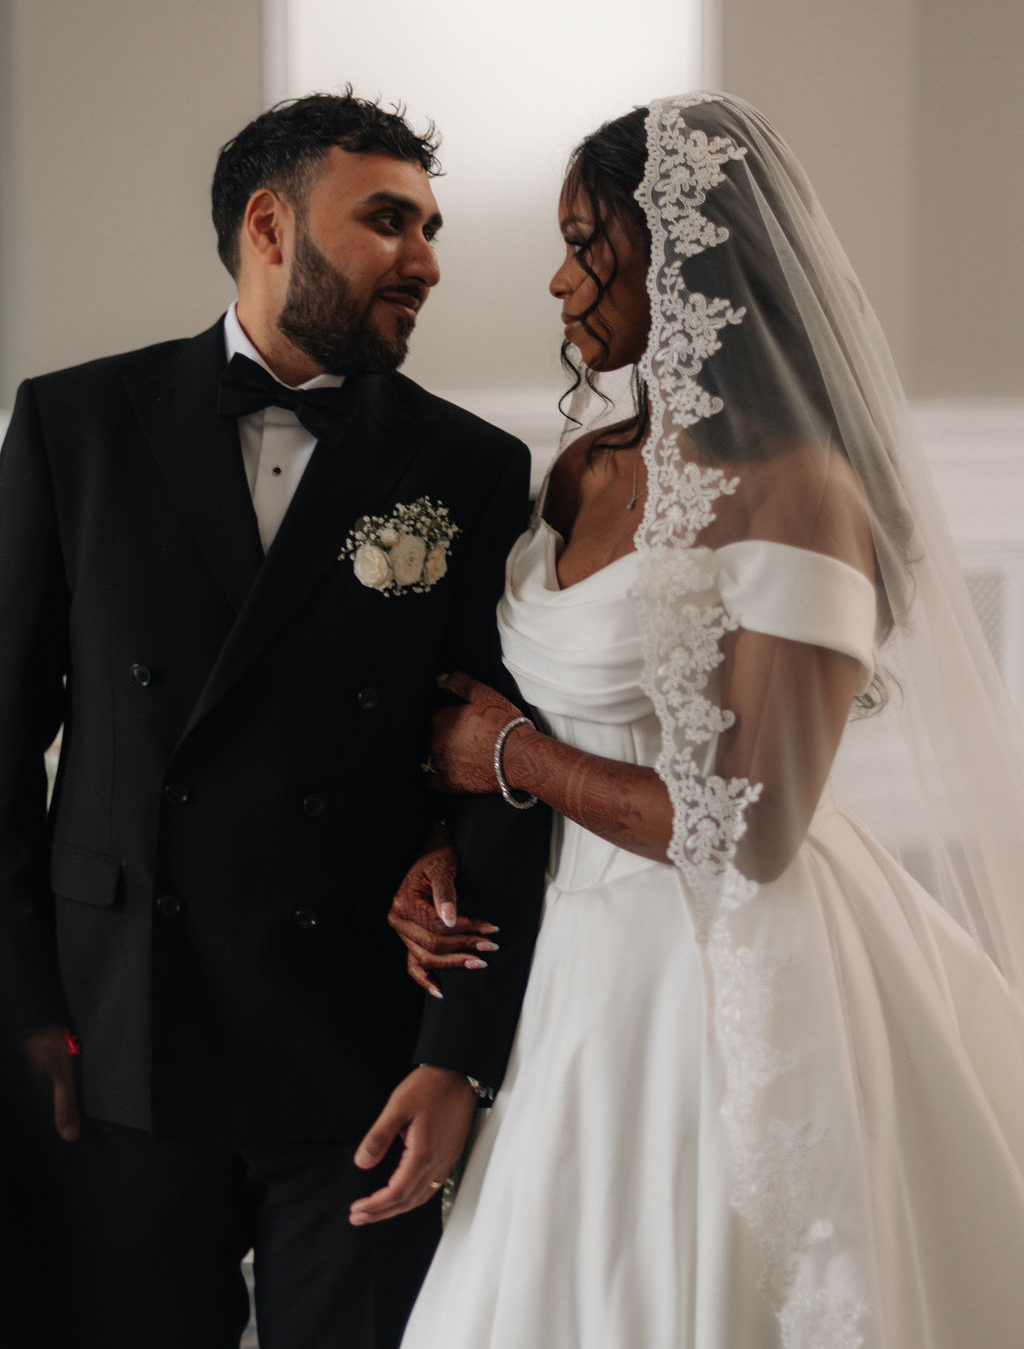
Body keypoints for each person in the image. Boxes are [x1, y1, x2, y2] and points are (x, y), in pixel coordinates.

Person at [389, 93, 1024, 1347]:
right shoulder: (585, 469)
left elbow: (755, 830)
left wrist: (510, 755)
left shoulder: (800, 493)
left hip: (721, 967)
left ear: (682, 257)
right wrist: (449, 847)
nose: (563, 283)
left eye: (589, 244)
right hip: (569, 953)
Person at [0, 91, 548, 1349]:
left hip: (358, 1051)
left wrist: (458, 1051)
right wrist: (24, 1011)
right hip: (120, 1038)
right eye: (389, 221)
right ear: (269, 223)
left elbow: (494, 771)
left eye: (430, 225)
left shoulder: (467, 469)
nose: (427, 258)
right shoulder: (75, 427)